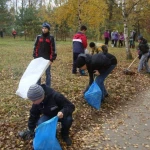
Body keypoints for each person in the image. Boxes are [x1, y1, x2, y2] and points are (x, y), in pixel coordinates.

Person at [33, 22, 57, 87]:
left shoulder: (51, 38)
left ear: (48, 29)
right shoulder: (38, 37)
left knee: (48, 73)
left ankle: (48, 86)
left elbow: (53, 49)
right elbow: (35, 47)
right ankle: (38, 85)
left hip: (47, 59)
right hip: (39, 59)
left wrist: (51, 59)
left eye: (45, 28)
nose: (44, 29)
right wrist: (35, 56)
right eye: (43, 28)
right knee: (38, 73)